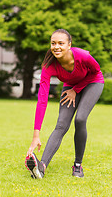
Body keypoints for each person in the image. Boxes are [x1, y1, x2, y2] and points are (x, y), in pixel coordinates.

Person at [25, 29, 104, 179]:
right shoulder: (49, 66)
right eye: (53, 43)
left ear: (69, 45)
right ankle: (41, 167)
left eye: (61, 43)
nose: (56, 47)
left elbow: (97, 72)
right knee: (61, 125)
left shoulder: (83, 56)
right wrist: (36, 134)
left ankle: (78, 165)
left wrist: (76, 89)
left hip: (93, 82)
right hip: (71, 86)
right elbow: (42, 99)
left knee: (80, 119)